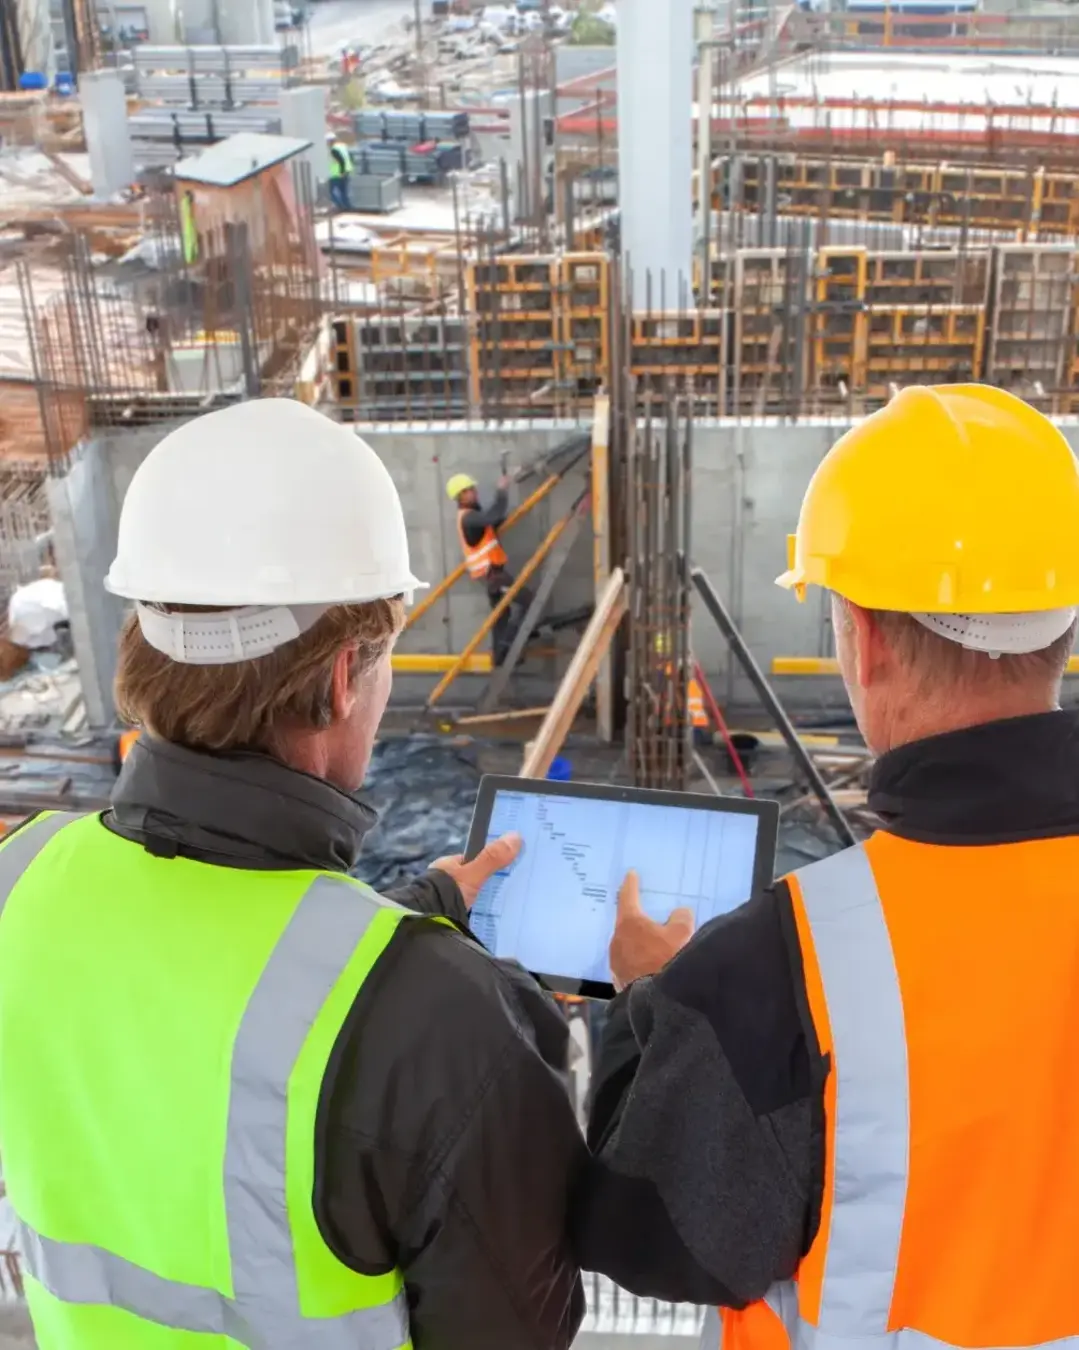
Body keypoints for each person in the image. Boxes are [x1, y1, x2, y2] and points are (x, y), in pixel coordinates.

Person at [0, 400, 585, 1349]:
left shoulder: (22, 879)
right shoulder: (446, 1020)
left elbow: (198, 1015)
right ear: (345, 675)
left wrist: (419, 918)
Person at [572, 384, 1079, 1350]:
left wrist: (642, 1008)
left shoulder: (777, 968)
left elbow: (649, 1236)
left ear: (866, 637)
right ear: (1059, 623)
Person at [446, 471, 535, 666]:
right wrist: (502, 490)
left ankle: (499, 656)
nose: (473, 493)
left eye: (472, 489)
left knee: (502, 615)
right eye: (467, 491)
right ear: (459, 497)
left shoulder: (474, 516)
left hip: (492, 576)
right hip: (493, 576)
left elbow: (491, 522)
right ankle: (508, 647)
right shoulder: (469, 518)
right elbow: (493, 515)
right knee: (528, 601)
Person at [326, 131, 353, 211]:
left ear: (330, 141)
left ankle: (340, 206)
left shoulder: (334, 149)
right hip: (347, 172)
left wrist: (341, 172)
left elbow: (341, 161)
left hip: (337, 174)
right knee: (343, 191)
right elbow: (350, 158)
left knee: (330, 191)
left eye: (328, 141)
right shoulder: (343, 146)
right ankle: (348, 208)